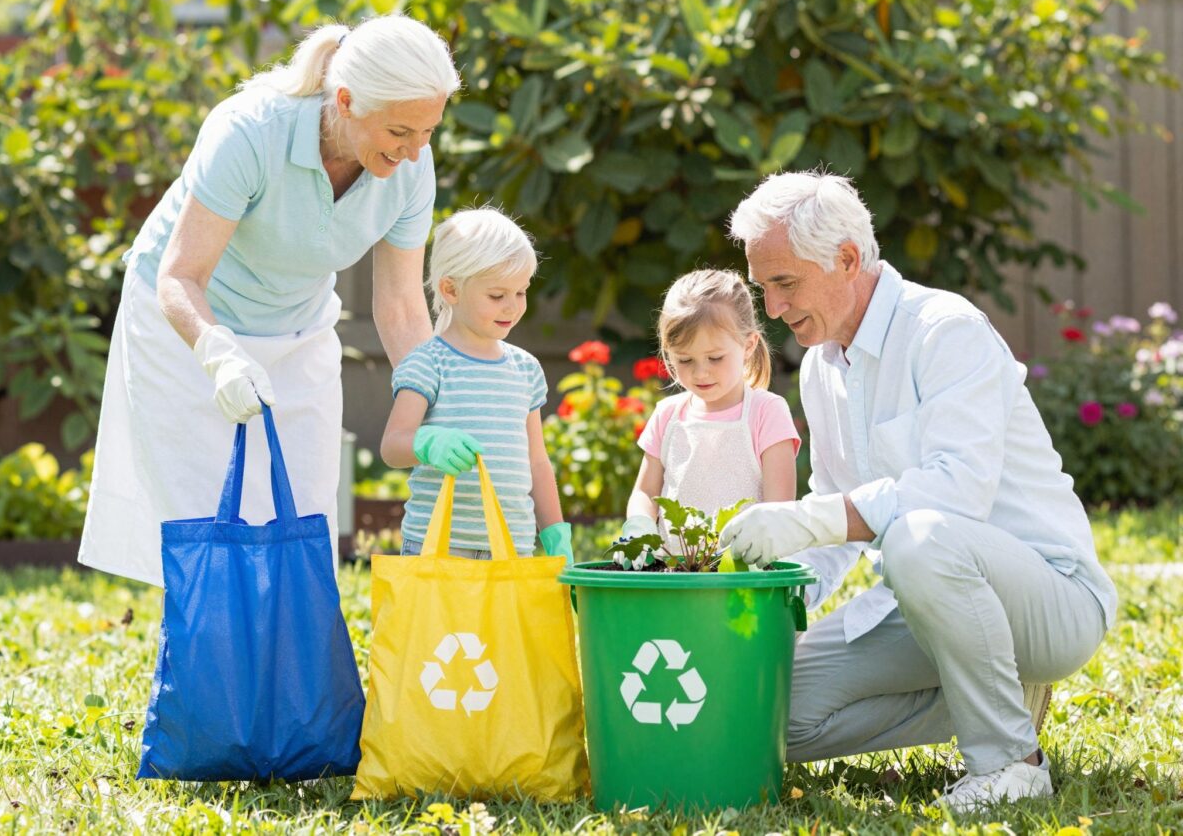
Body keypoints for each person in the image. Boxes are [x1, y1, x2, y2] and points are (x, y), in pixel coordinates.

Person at [717, 170, 1117, 810]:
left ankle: (1011, 761)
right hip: (922, 598)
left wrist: (808, 519)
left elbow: (956, 493)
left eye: (785, 283)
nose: (772, 309)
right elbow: (833, 517)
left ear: (847, 259)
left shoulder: (944, 329)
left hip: (1052, 599)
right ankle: (1002, 696)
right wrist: (771, 605)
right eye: (764, 287)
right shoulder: (823, 366)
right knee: (765, 715)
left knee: (919, 536)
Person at [78, 14, 459, 586]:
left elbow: (402, 307)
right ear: (348, 100)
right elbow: (181, 277)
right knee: (206, 520)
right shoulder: (251, 130)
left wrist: (443, 404)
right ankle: (211, 661)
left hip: (298, 328)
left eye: (427, 132)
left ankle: (290, 666)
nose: (413, 152)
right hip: (187, 326)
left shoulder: (410, 169)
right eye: (400, 132)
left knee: (304, 513)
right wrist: (219, 355)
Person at [617, 269, 860, 600]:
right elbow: (645, 491)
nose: (700, 372)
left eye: (715, 358)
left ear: (748, 346)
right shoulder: (668, 415)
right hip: (672, 581)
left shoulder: (765, 412)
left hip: (747, 581)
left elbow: (779, 510)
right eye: (684, 360)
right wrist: (639, 528)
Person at [379, 208, 571, 561]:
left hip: (511, 547)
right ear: (450, 289)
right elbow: (392, 446)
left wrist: (555, 531)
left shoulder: (525, 369)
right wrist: (426, 442)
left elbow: (537, 461)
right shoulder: (428, 363)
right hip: (437, 548)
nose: (512, 307)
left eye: (521, 292)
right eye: (497, 296)